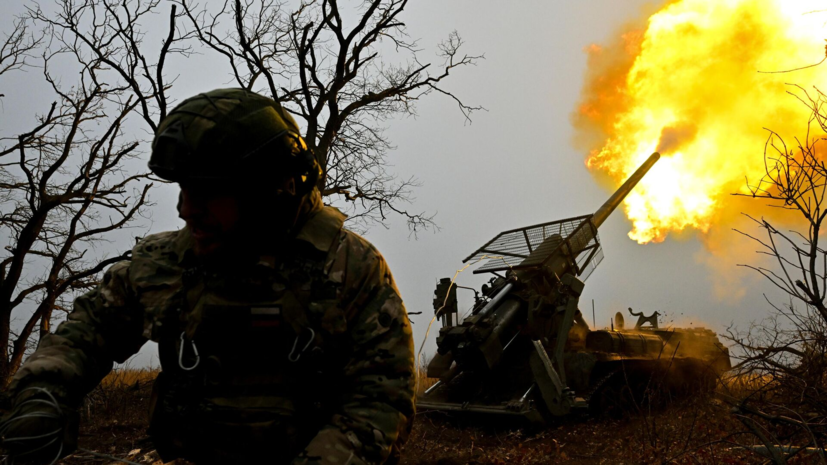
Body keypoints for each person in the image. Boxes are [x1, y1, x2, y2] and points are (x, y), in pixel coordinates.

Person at [0, 88, 416, 464]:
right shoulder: (165, 262)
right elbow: (86, 332)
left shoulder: (348, 269)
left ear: (266, 190)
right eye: (183, 189)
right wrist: (42, 395)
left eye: (207, 192)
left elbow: (380, 403)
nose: (185, 210)